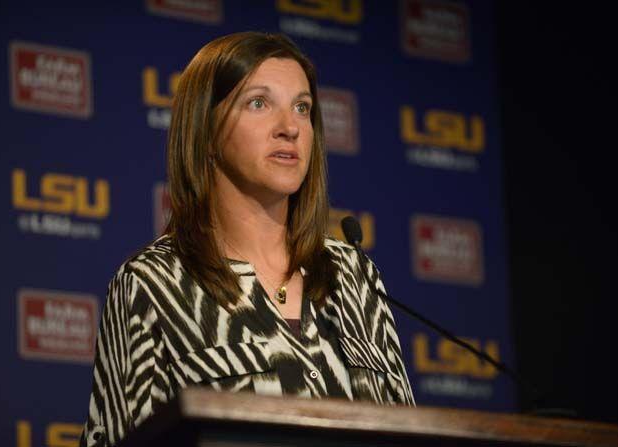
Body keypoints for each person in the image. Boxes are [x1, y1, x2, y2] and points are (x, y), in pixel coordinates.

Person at [80, 31, 414, 447]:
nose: (289, 127)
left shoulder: (355, 275)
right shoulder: (151, 285)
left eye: (302, 107)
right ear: (206, 130)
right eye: (259, 103)